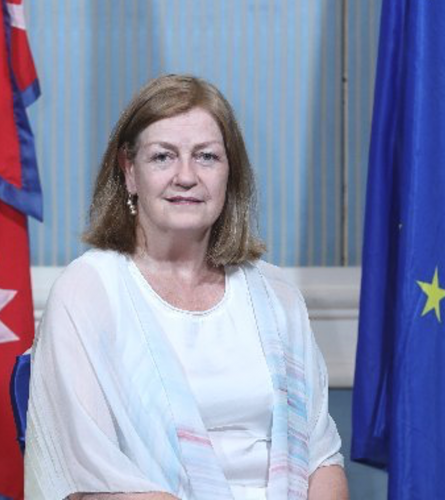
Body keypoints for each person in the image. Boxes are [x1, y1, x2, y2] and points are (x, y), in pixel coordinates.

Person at [24, 74, 349, 500]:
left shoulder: (276, 294)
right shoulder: (88, 291)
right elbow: (90, 482)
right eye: (163, 157)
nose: (186, 176)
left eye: (206, 157)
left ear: (230, 173)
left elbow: (322, 460)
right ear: (129, 172)